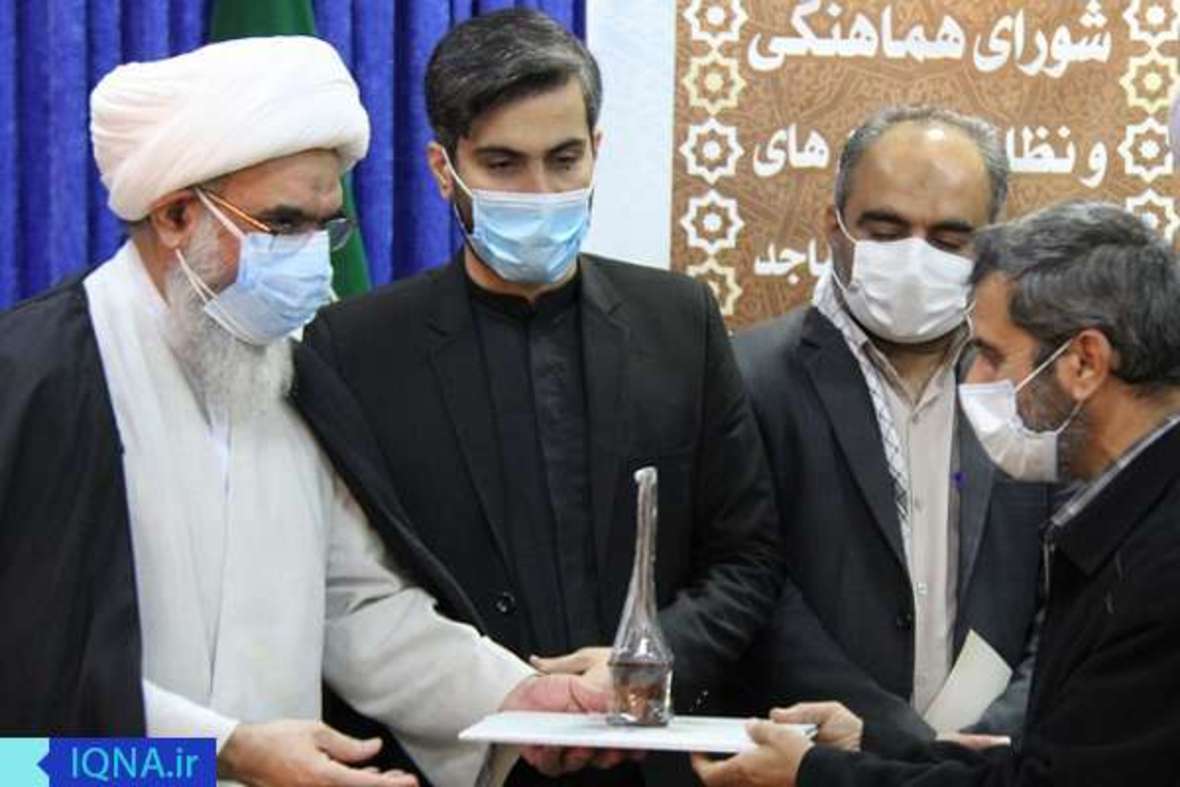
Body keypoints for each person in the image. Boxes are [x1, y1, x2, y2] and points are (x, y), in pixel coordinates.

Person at [0, 36, 619, 787]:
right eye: (284, 224)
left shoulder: (290, 372)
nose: (313, 260)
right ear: (174, 215)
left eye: (327, 227)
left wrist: (510, 699)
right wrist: (224, 752)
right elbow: (21, 749)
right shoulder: (35, 381)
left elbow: (355, 606)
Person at [304, 9, 784, 785]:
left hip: (650, 756)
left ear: (597, 150)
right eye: (503, 164)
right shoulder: (356, 348)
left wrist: (647, 661)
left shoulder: (680, 321)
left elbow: (746, 556)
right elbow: (354, 587)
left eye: (564, 160)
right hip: (459, 760)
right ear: (443, 169)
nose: (540, 191)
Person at [693, 200, 1180, 786]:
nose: (972, 379)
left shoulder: (1162, 559)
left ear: (1083, 362)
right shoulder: (1132, 514)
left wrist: (815, 775)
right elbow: (1054, 755)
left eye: (992, 355)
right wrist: (869, 746)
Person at [731, 105, 1050, 740]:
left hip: (995, 761)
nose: (915, 259)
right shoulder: (747, 378)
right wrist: (892, 739)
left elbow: (1068, 588)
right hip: (812, 755)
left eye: (950, 242)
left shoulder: (1037, 388)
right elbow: (747, 589)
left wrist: (995, 736)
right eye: (885, 231)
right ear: (834, 226)